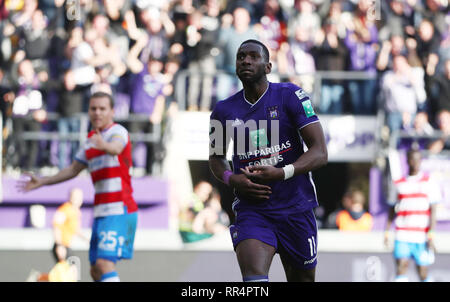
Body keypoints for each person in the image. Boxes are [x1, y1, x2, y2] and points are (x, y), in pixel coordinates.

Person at [208, 39, 328, 282]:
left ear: (268, 66)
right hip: (253, 209)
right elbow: (216, 158)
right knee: (253, 279)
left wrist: (281, 172)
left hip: (296, 207)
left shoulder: (291, 95)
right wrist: (233, 179)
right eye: (241, 56)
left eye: (253, 56)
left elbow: (320, 152)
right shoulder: (223, 111)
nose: (246, 61)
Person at [18, 91, 138, 282]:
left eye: (102, 108)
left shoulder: (117, 131)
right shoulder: (90, 141)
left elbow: (116, 148)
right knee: (95, 271)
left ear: (112, 112)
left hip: (120, 208)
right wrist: (42, 181)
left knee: (104, 265)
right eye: (93, 108)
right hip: (101, 212)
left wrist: (103, 144)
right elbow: (73, 169)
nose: (97, 113)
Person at [384, 148, 441, 282]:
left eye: (418, 160)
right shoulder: (399, 184)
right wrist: (387, 231)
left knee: (422, 272)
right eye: (412, 159)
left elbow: (433, 211)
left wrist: (431, 234)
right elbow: (392, 209)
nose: (416, 163)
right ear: (408, 161)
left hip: (421, 235)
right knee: (401, 267)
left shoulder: (429, 182)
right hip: (402, 234)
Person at [52, 187, 87, 263]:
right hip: (61, 245)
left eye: (79, 197)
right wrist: (59, 245)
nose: (78, 199)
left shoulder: (76, 211)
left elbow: (75, 229)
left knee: (71, 269)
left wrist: (87, 239)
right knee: (67, 270)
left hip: (67, 245)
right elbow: (57, 227)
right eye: (75, 197)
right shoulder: (65, 209)